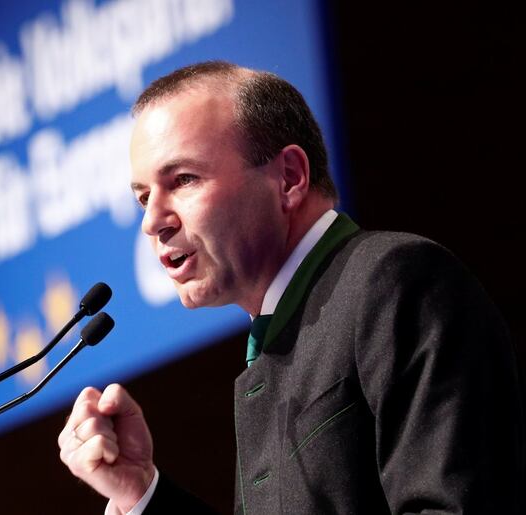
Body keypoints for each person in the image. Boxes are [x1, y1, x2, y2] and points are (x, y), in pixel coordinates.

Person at [57, 61, 524, 514]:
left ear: (289, 178)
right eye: (143, 197)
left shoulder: (393, 281)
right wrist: (141, 494)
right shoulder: (272, 347)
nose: (152, 221)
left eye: (183, 180)